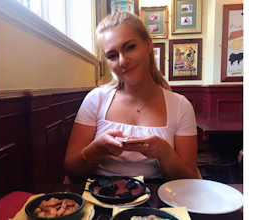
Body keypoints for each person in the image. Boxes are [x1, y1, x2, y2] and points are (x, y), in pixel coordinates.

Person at [64, 12, 198, 183]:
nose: (122, 61)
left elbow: (189, 181)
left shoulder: (181, 106)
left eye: (130, 47)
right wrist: (97, 149)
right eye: (112, 55)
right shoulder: (95, 99)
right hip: (99, 199)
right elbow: (71, 170)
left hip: (157, 202)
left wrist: (165, 153)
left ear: (148, 45)